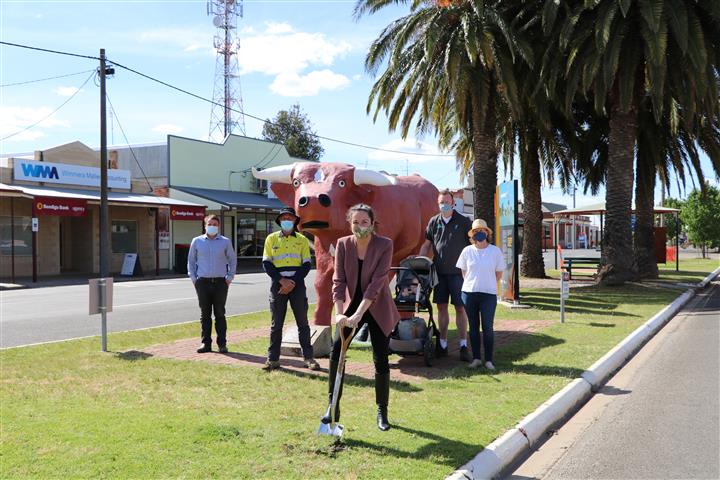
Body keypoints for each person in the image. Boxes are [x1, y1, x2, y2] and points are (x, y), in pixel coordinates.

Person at [321, 204, 400, 431]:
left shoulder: (384, 245)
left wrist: (359, 314)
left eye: (364, 222)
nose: (360, 226)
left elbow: (376, 284)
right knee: (337, 351)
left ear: (372, 223)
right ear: (350, 223)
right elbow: (339, 281)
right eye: (355, 222)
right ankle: (332, 406)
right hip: (350, 306)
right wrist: (339, 312)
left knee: (380, 358)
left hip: (376, 306)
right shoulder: (344, 245)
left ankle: (381, 412)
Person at [261, 207, 320, 371]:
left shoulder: (301, 240)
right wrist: (282, 281)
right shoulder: (271, 239)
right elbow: (267, 263)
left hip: (297, 285)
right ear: (280, 221)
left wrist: (291, 282)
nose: (287, 220)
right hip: (277, 285)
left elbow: (307, 264)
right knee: (276, 324)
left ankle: (309, 358)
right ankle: (272, 359)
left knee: (303, 323)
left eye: (290, 217)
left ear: (295, 221)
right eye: (284, 217)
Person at [419, 189, 473, 362]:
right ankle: (442, 345)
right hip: (440, 274)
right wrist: (420, 262)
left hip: (459, 275)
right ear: (438, 203)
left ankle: (463, 345)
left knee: (460, 308)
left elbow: (473, 246)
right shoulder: (434, 222)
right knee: (441, 307)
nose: (444, 205)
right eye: (441, 202)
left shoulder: (464, 222)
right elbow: (427, 244)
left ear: (453, 203)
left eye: (447, 202)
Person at [455, 219, 505, 370]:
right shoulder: (466, 251)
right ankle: (476, 358)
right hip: (469, 293)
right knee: (473, 326)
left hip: (488, 294)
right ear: (472, 235)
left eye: (481, 230)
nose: (479, 233)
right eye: (476, 231)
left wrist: (485, 282)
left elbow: (498, 274)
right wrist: (473, 284)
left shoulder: (495, 251)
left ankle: (488, 360)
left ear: (487, 233)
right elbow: (464, 272)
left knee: (488, 327)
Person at [188, 214, 237, 354]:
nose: (212, 226)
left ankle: (222, 344)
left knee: (220, 313)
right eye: (210, 224)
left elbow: (232, 260)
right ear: (205, 225)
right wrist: (194, 278)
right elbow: (191, 261)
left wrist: (229, 277)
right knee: (205, 314)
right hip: (202, 282)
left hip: (220, 282)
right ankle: (206, 344)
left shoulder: (225, 242)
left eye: (215, 224)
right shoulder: (197, 241)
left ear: (219, 226)